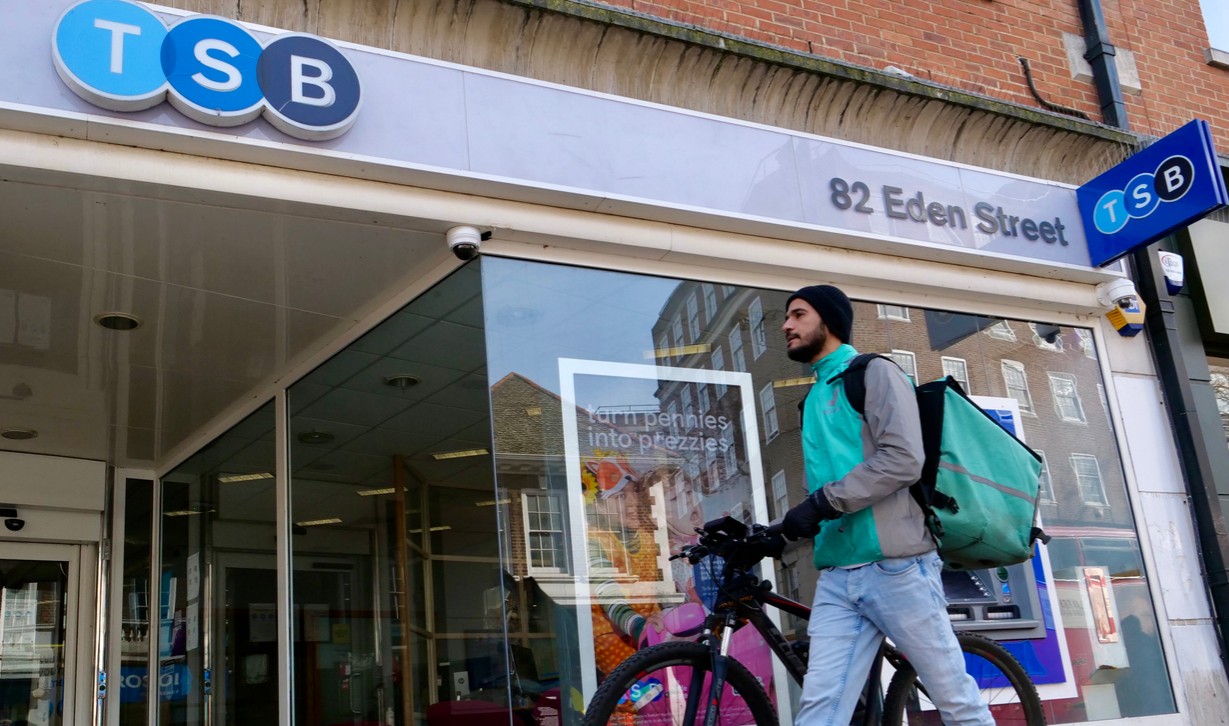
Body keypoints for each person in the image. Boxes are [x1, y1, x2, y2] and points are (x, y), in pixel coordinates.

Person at [778, 284, 994, 725]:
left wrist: (821, 505)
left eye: (798, 314)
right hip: (839, 575)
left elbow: (903, 460)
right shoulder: (813, 399)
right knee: (821, 708)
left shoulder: (875, 373)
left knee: (954, 700)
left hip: (898, 568)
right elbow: (820, 489)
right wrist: (778, 530)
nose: (786, 325)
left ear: (829, 322)